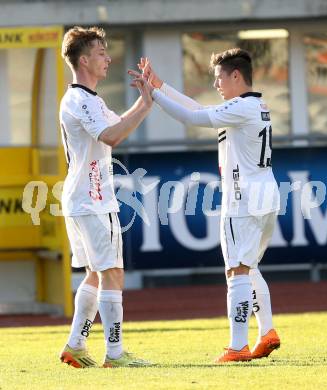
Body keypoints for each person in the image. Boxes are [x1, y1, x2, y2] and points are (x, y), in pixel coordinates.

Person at [130, 49, 281, 363]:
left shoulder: (241, 107)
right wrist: (162, 86)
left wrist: (153, 95)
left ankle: (237, 346)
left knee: (236, 270)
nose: (216, 84)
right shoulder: (254, 105)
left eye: (219, 78)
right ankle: (266, 332)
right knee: (249, 266)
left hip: (242, 196)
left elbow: (192, 117)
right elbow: (199, 108)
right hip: (265, 193)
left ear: (236, 76)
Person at [59, 26, 153, 368]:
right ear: (84, 60)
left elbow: (118, 128)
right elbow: (113, 136)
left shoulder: (89, 100)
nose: (108, 58)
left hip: (82, 197)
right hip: (92, 198)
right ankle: (114, 354)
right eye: (101, 53)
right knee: (112, 272)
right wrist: (145, 104)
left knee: (95, 273)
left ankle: (76, 344)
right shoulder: (80, 99)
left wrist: (145, 103)